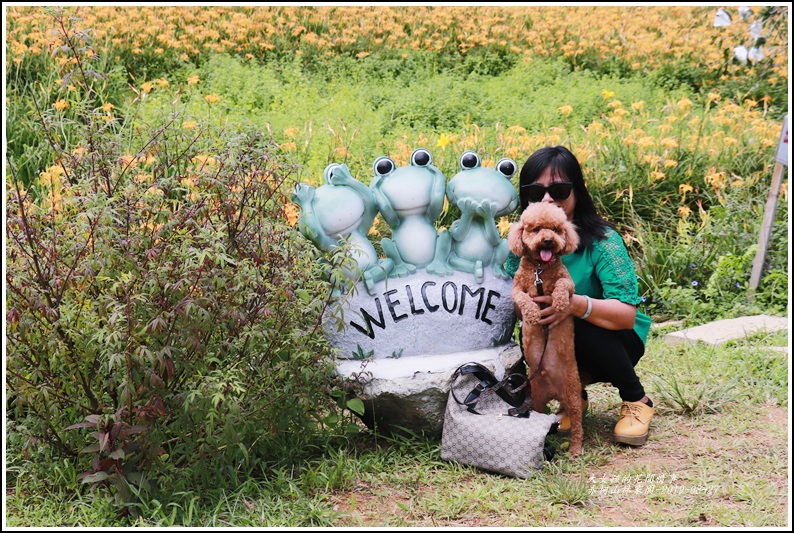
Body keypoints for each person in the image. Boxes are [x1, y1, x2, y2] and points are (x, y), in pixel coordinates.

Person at [505, 145, 654, 446]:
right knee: (533, 332)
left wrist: (574, 304)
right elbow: (517, 303)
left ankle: (637, 400)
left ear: (577, 191)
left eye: (559, 189)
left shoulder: (603, 242)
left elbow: (626, 315)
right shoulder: (523, 246)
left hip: (613, 341)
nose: (547, 198)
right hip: (557, 346)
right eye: (536, 191)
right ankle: (574, 399)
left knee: (575, 320)